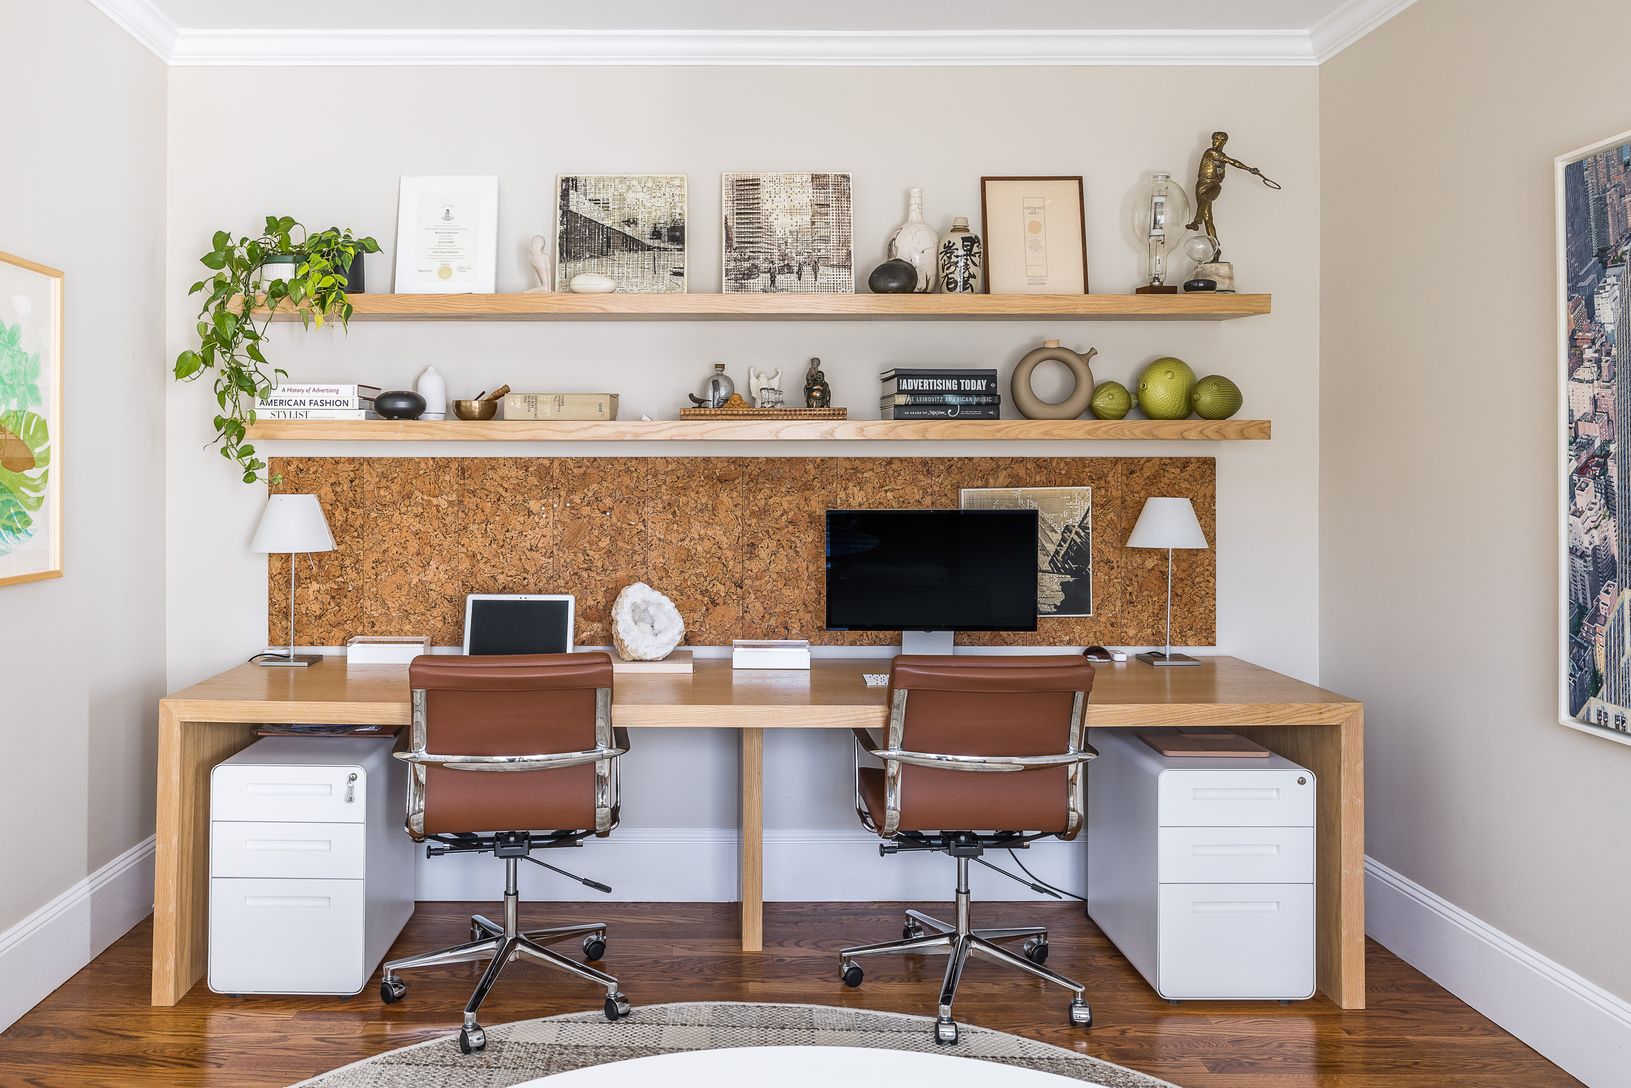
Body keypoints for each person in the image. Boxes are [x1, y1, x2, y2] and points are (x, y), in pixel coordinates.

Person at [1184, 131, 1280, 260]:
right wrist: (1249, 169)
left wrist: (1250, 170)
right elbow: (1232, 161)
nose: (1215, 141)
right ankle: (1216, 249)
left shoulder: (1221, 159)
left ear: (1224, 142)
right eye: (1214, 138)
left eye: (1218, 139)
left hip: (1214, 186)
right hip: (1202, 185)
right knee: (1208, 219)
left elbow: (1226, 168)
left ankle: (1196, 222)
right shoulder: (1211, 152)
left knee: (1206, 198)